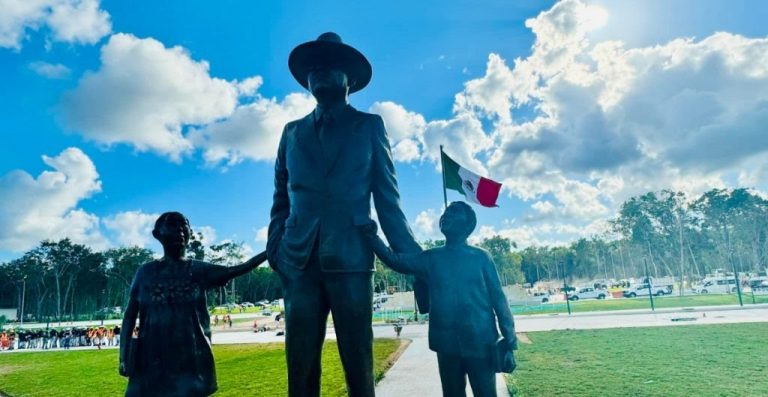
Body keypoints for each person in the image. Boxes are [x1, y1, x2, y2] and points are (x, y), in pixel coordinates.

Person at [267, 32, 426, 397]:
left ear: (349, 79)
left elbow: (388, 200)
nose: (319, 73)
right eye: (313, 68)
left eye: (329, 66)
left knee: (358, 362)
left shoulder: (369, 126)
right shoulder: (291, 132)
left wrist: (414, 261)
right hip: (297, 260)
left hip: (352, 256)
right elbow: (281, 198)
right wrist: (276, 248)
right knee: (300, 365)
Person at [360, 201, 517, 397]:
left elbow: (499, 301)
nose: (446, 215)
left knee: (485, 393)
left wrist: (510, 341)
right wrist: (372, 238)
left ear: (468, 225)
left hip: (480, 342)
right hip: (446, 343)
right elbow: (396, 261)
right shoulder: (431, 257)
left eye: (453, 212)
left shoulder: (481, 258)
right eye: (445, 212)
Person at [119, 211, 268, 397]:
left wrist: (271, 250)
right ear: (157, 234)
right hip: (151, 360)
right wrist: (124, 355)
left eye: (184, 225)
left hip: (189, 360)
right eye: (173, 224)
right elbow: (129, 316)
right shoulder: (145, 273)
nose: (180, 230)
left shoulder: (198, 270)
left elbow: (239, 269)